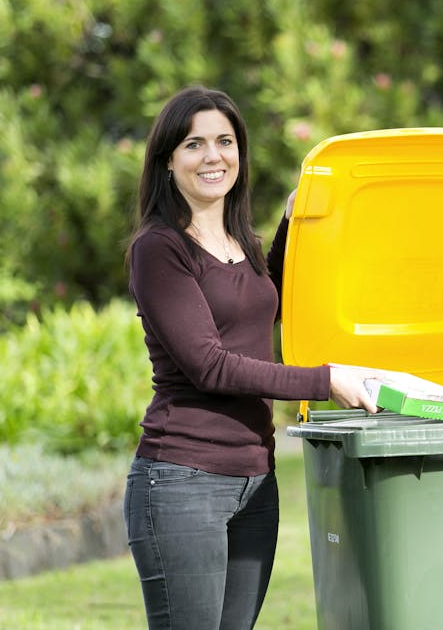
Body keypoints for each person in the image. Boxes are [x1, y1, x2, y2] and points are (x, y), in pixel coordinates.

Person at [123, 85, 378, 630]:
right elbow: (209, 364)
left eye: (224, 141)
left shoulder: (242, 241)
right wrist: (324, 380)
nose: (213, 156)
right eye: (194, 144)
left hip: (254, 480)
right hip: (181, 479)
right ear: (168, 161)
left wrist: (293, 223)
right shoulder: (160, 248)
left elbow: (268, 303)